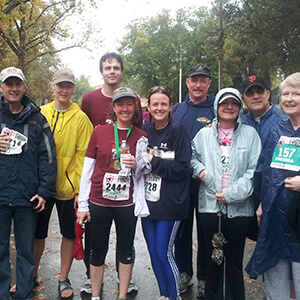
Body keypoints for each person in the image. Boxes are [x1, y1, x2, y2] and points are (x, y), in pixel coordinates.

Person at [80, 52, 142, 295]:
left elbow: (144, 168)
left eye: (117, 67)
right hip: (99, 197)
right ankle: (93, 286)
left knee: (126, 246)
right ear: (113, 108)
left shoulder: (140, 134)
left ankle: (123, 287)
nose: (112, 71)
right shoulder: (96, 125)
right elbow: (87, 168)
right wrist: (83, 201)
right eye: (108, 67)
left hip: (126, 200)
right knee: (97, 246)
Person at [191, 88, 261, 300]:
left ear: (240, 107)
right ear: (217, 107)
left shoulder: (250, 135)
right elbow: (192, 158)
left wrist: (232, 193)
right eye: (224, 103)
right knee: (213, 261)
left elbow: (253, 171)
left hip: (239, 210)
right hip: (209, 208)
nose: (229, 107)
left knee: (233, 264)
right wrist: (201, 171)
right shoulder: (204, 134)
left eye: (234, 103)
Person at [33, 69, 93, 299]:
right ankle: (32, 273)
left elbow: (84, 157)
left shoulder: (80, 118)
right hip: (43, 187)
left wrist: (79, 190)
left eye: (68, 86)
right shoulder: (40, 114)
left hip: (69, 189)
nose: (64, 90)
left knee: (69, 234)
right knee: (37, 233)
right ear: (52, 86)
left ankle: (63, 278)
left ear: (73, 89)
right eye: (60, 85)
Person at [0, 66, 56, 300]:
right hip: (1, 196)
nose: (14, 88)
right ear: (2, 87)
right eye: (9, 84)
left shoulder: (37, 118)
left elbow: (48, 157)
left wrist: (44, 191)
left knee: (25, 252)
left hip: (27, 197)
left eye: (18, 84)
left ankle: (22, 294)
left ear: (24, 87)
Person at [246, 73, 300, 299]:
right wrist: (261, 204)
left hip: (297, 220)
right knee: (276, 287)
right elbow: (266, 171)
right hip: (274, 219)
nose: (289, 99)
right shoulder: (279, 130)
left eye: (296, 94)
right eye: (285, 94)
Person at [141, 86, 191, 300]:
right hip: (148, 203)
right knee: (153, 253)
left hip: (171, 203)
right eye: (155, 104)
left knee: (164, 252)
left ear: (171, 107)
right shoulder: (144, 130)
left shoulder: (177, 130)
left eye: (164, 104)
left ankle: (175, 297)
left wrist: (155, 161)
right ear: (148, 107)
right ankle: (164, 294)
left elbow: (183, 168)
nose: (159, 108)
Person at [172, 64, 215, 297]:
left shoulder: (218, 109)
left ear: (209, 83)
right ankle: (184, 272)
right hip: (182, 182)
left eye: (203, 80)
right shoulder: (177, 110)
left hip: (208, 180)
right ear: (187, 82)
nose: (198, 85)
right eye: (194, 80)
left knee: (208, 230)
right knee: (182, 229)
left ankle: (205, 277)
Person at [242, 75, 287, 147]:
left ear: (268, 94)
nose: (256, 96)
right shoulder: (240, 124)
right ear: (243, 99)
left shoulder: (285, 120)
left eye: (259, 92)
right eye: (250, 93)